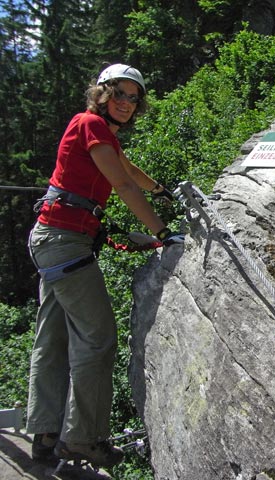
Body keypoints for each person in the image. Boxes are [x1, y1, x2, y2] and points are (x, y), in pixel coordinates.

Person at [27, 63, 184, 467]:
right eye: (120, 94)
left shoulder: (99, 134)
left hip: (54, 238)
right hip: (66, 243)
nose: (128, 103)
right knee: (97, 339)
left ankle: (45, 433)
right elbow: (123, 184)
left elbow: (129, 170)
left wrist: (161, 189)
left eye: (134, 97)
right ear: (102, 93)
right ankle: (82, 439)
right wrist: (163, 231)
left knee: (54, 335)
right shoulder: (90, 124)